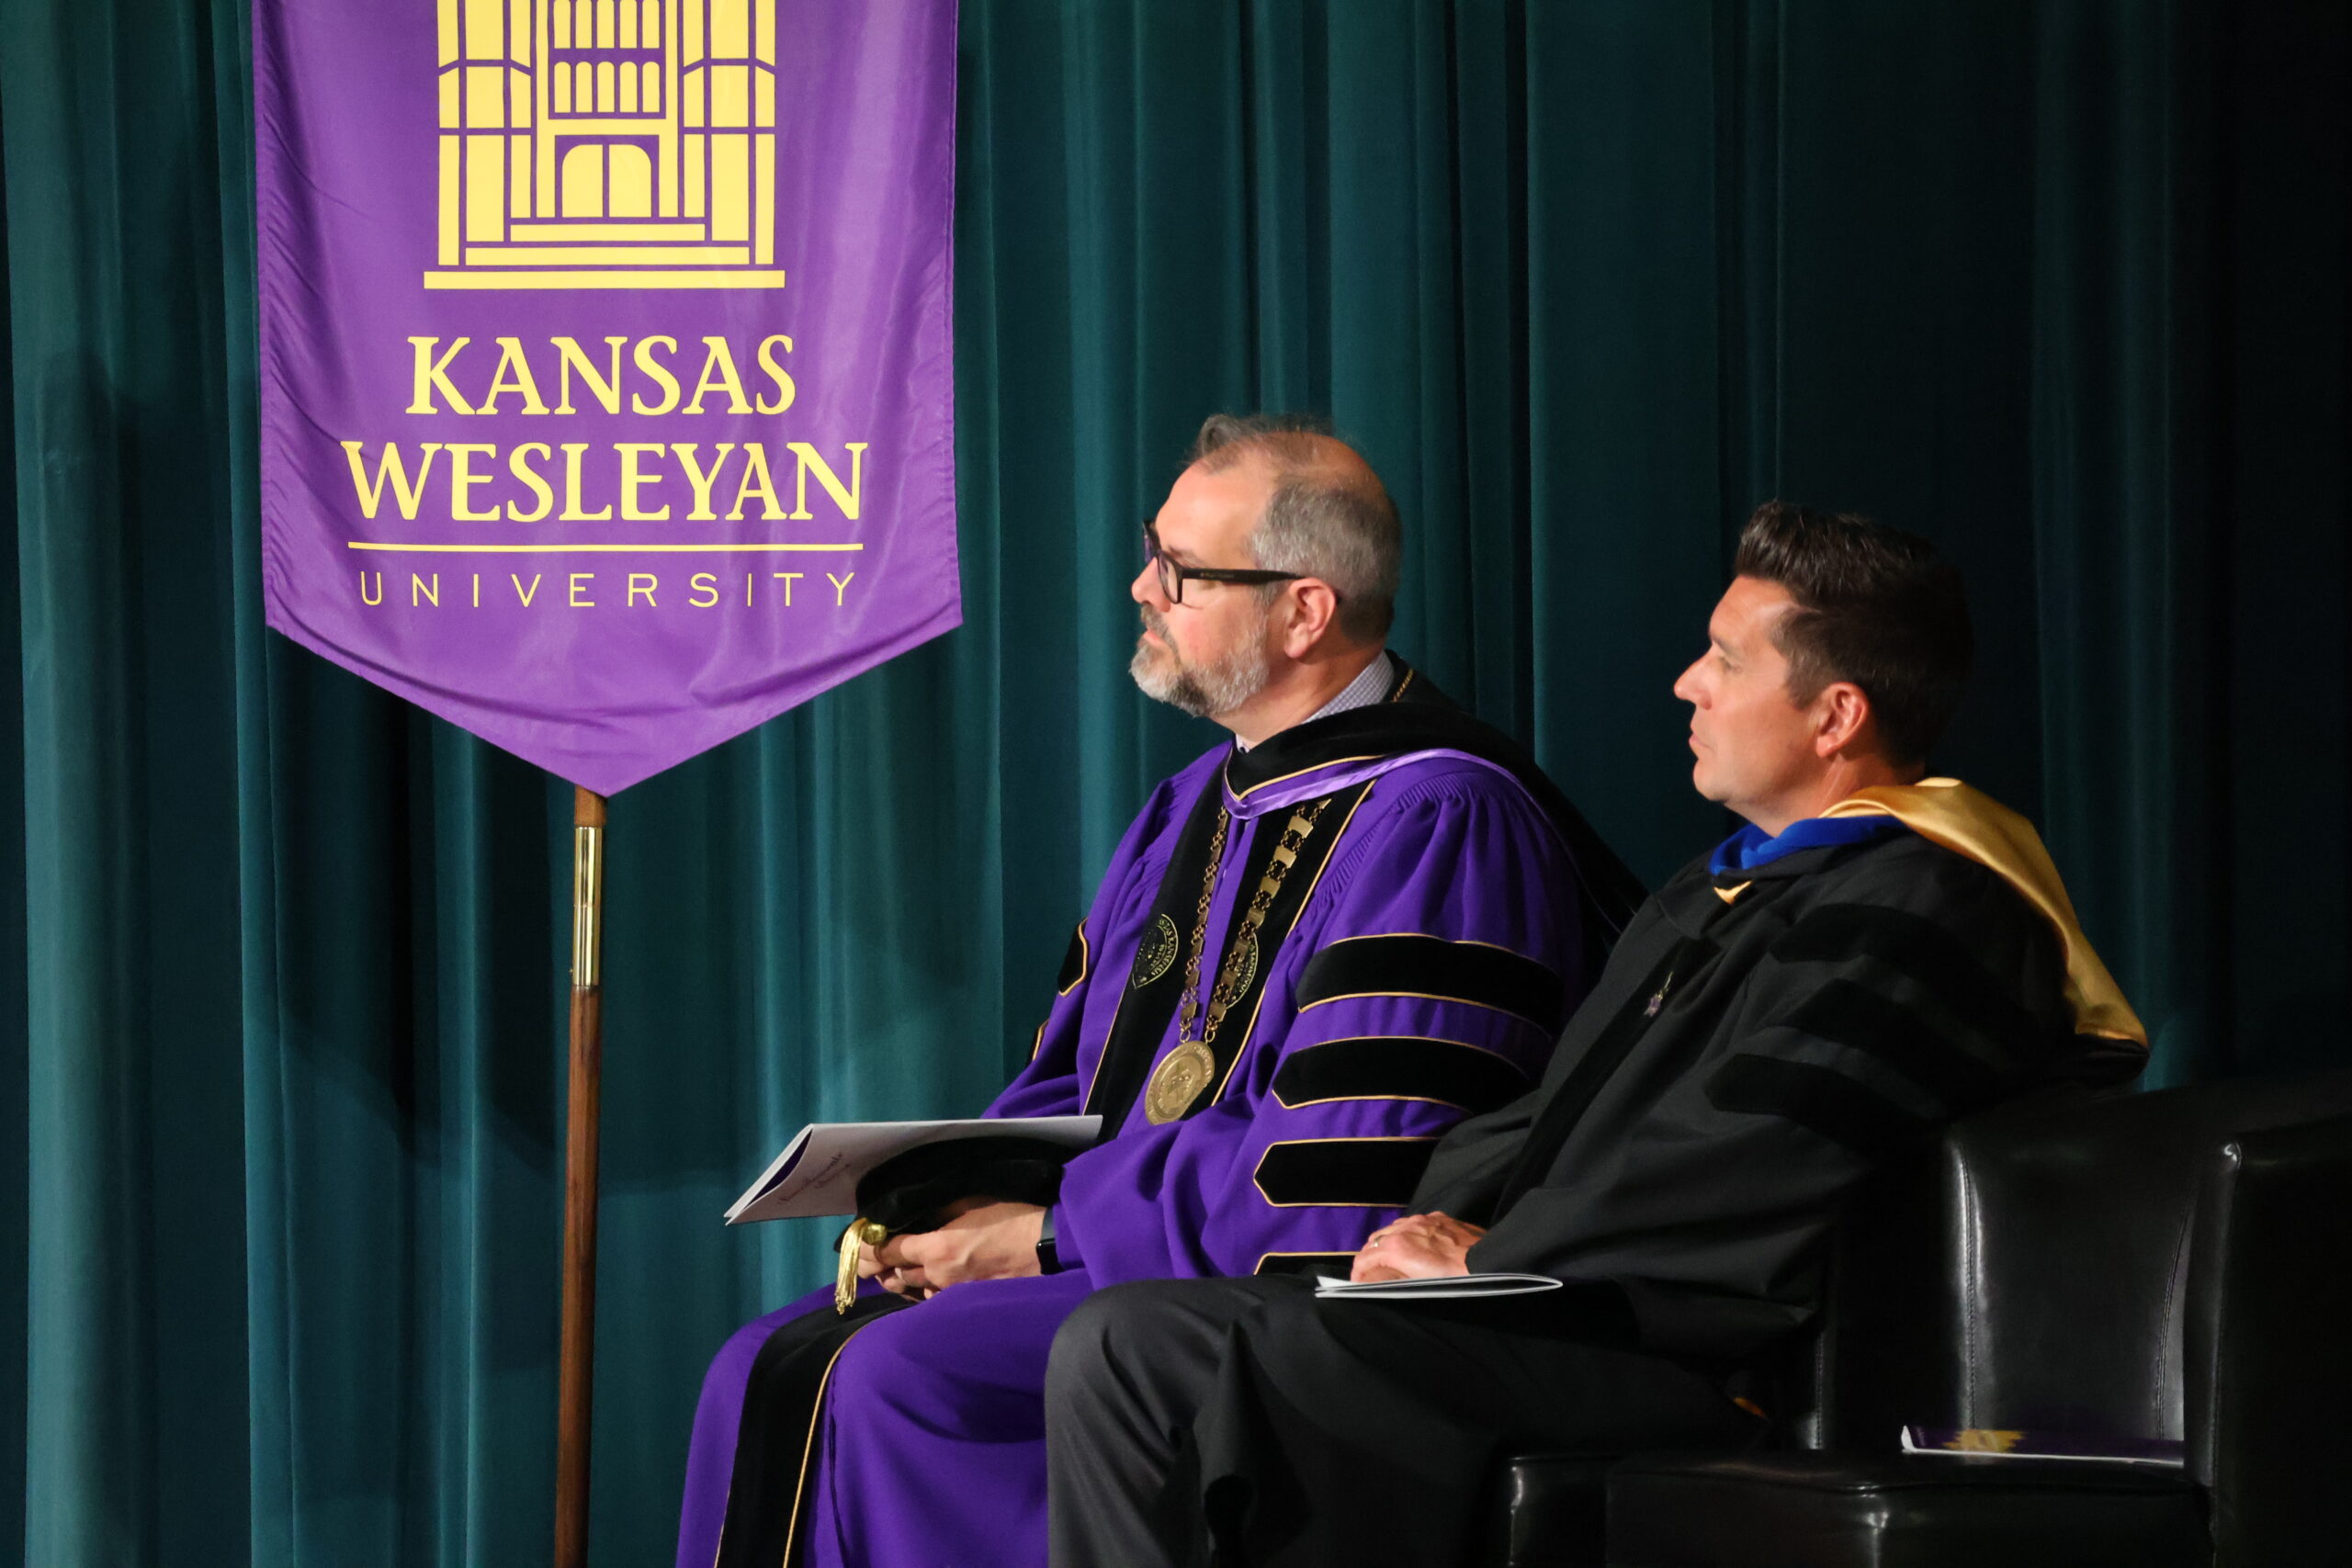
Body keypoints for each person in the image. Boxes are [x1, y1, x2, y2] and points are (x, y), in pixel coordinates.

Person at [1045, 502, 2149, 1568]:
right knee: (1129, 1340)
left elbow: (1749, 1155)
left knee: (1284, 1352)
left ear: (1835, 715)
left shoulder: (1927, 907)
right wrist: (1424, 1226)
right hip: (1562, 1308)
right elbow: (1544, 1118)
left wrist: (1496, 1257)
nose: (1687, 684)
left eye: (1724, 659)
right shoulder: (1716, 897)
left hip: (1699, 1350)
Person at [675, 414, 1643, 1568]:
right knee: (757, 1364)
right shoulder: (1195, 803)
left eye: (1180, 570)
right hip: (1123, 1247)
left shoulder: (1442, 817)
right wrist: (947, 1194)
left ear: (1304, 611)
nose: (1141, 585)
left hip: (1270, 1292)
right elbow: (1077, 1084)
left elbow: (1351, 1171)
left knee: (896, 1378)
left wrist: (1045, 1236)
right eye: (1153, 550)